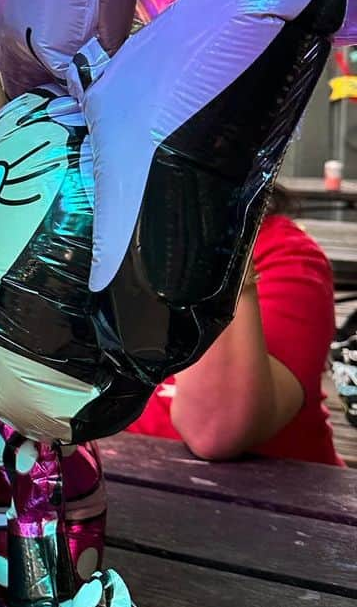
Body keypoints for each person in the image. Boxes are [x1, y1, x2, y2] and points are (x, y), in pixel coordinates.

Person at [126, 191, 345, 466]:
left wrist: (211, 236)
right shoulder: (87, 238)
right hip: (124, 487)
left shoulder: (288, 255)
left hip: (271, 501)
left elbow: (215, 432)